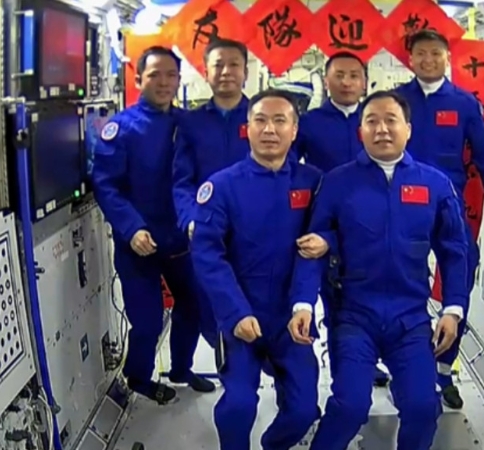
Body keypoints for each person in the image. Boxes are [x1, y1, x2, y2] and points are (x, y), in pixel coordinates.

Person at [288, 90, 470, 450]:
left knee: (423, 407)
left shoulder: (435, 184)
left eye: (391, 120)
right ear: (361, 131)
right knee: (350, 406)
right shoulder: (337, 182)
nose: (382, 129)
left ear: (408, 129)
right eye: (372, 121)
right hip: (354, 316)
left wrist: (453, 309)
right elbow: (312, 247)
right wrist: (303, 304)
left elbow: (454, 250)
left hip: (410, 319)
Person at [190, 89, 321, 450]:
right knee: (238, 405)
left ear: (294, 130)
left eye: (280, 121)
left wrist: (303, 304)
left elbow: (314, 251)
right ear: (247, 128)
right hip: (240, 313)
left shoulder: (312, 183)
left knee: (304, 409)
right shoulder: (221, 187)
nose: (269, 129)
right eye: (260, 120)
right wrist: (236, 313)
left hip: (290, 317)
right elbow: (207, 255)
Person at [395, 29, 484, 409]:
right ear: (410, 59)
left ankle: (444, 370)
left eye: (435, 53)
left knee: (460, 276)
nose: (428, 60)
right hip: (400, 204)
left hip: (448, 203)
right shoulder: (397, 101)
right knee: (398, 280)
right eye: (421, 54)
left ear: (448, 58)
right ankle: (406, 363)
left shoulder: (464, 104)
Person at [91, 46, 215, 403]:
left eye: (170, 75)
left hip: (180, 240)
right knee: (147, 320)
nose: (163, 82)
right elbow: (106, 185)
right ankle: (139, 378)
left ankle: (181, 369)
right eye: (154, 75)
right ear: (138, 79)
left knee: (192, 305)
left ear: (179, 79)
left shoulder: (188, 125)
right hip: (138, 245)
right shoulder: (121, 129)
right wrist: (131, 228)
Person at [292, 51, 389, 386]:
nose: (347, 82)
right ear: (326, 81)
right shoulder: (309, 123)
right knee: (334, 301)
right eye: (339, 75)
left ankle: (367, 360)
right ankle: (342, 372)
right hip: (325, 222)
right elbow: (290, 167)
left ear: (365, 82)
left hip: (374, 222)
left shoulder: (377, 120)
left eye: (353, 76)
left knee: (371, 296)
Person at [172, 38, 251, 241]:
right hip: (208, 226)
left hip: (255, 224)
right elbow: (183, 180)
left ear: (245, 73)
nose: (226, 72)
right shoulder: (191, 122)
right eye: (218, 65)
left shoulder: (263, 119)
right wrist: (190, 218)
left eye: (234, 64)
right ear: (206, 74)